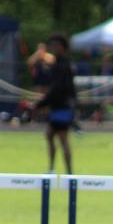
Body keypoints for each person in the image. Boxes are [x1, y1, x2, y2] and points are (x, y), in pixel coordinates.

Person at [32, 34, 76, 174]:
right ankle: (53, 169)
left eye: (56, 45)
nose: (54, 48)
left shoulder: (63, 64)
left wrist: (40, 104)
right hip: (57, 105)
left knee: (62, 139)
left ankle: (68, 172)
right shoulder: (57, 63)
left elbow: (59, 88)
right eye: (52, 45)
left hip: (62, 106)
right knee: (50, 135)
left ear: (63, 47)